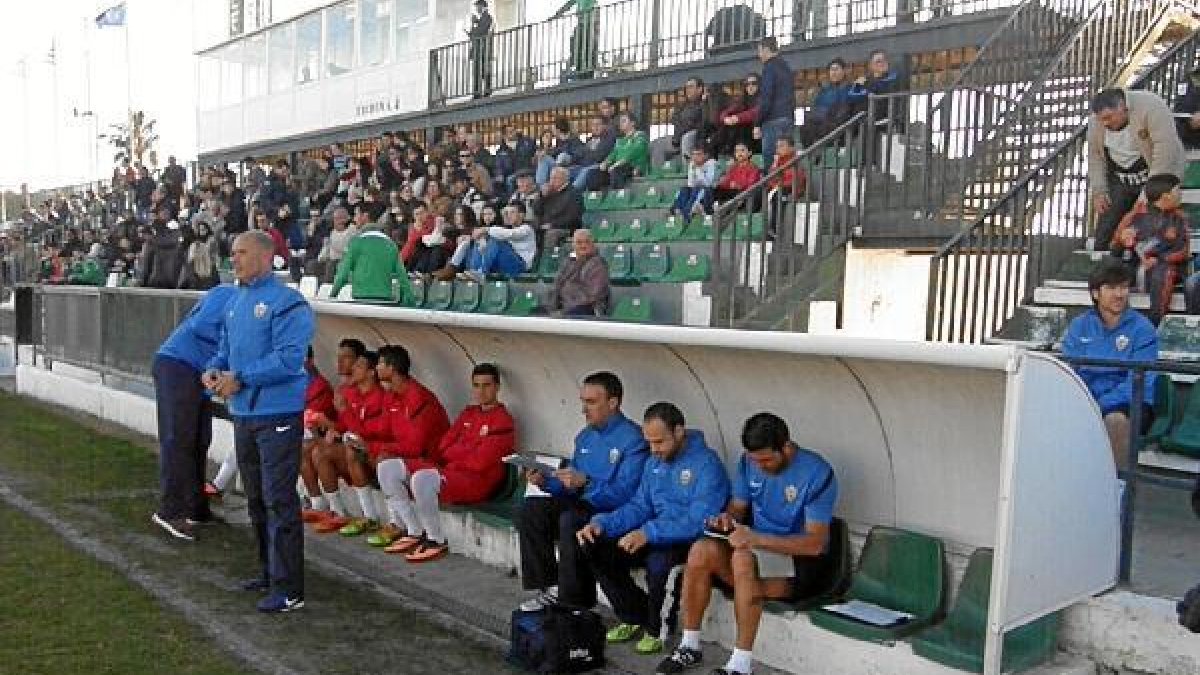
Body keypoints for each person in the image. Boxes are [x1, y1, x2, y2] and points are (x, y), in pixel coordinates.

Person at [657, 413, 838, 675]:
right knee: (701, 550)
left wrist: (756, 539)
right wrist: (726, 520)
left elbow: (815, 544)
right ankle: (689, 645)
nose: (760, 466)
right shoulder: (748, 462)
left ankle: (740, 665)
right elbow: (738, 509)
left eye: (766, 459)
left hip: (797, 561)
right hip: (755, 549)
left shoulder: (817, 473)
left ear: (785, 446)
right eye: (755, 460)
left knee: (743, 559)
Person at [203, 231, 316, 613]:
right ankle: (269, 572)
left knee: (279, 499)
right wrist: (214, 369)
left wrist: (242, 377)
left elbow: (288, 359)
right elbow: (225, 349)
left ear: (266, 256)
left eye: (241, 253)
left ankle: (290, 589)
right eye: (232, 252)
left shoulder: (288, 303)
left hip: (277, 413)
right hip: (245, 413)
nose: (233, 259)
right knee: (255, 498)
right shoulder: (236, 302)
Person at [575, 402, 729, 655]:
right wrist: (602, 523)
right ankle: (634, 616)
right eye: (649, 442)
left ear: (679, 432)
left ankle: (658, 630)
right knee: (593, 545)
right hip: (654, 532)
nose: (654, 449)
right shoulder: (653, 463)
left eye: (659, 442)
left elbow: (697, 521)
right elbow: (640, 505)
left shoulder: (707, 465)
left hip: (689, 542)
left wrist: (648, 533)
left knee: (659, 563)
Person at [515, 371, 649, 612]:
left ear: (613, 402)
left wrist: (586, 484)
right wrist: (546, 482)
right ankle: (549, 587)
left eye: (591, 402)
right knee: (532, 509)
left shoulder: (634, 440)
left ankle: (575, 602)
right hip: (582, 502)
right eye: (583, 402)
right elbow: (570, 483)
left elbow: (628, 494)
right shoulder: (584, 437)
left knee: (571, 520)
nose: (584, 409)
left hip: (611, 512)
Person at [376, 362, 515, 562]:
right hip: (452, 473)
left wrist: (457, 452)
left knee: (422, 479)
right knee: (387, 468)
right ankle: (414, 530)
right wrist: (465, 451)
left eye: (487, 385)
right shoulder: (469, 413)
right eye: (476, 385)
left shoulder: (503, 420)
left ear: (497, 387)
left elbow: (480, 463)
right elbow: (444, 445)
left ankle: (436, 539)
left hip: (477, 482)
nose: (481, 391)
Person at [150, 284, 239, 541]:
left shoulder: (234, 296)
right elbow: (202, 325)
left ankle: (196, 508)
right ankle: (170, 511)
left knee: (199, 440)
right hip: (179, 364)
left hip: (197, 370)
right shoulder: (228, 295)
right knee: (178, 439)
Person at [1061, 260, 1158, 468]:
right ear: (1096, 294)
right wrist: (1085, 402)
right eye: (1111, 287)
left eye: (1123, 287)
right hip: (1087, 400)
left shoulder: (1143, 329)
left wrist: (1098, 405)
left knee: (1115, 421)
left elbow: (1139, 383)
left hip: (1130, 403)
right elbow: (1069, 370)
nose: (1119, 294)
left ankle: (1118, 490)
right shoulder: (1080, 326)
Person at [365, 345, 451, 548]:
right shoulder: (392, 395)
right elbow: (381, 430)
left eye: (380, 363)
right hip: (413, 459)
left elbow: (416, 447)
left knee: (385, 463)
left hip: (431, 461)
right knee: (382, 463)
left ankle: (431, 536)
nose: (376, 368)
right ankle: (412, 530)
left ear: (392, 368)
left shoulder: (417, 397)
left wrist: (380, 449)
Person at [1087, 88, 1186, 251]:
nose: (1105, 123)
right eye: (1101, 119)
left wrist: (1149, 192)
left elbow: (1165, 151)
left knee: (1147, 229)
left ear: (1122, 106)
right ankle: (1104, 266)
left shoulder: (1151, 106)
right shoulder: (1095, 122)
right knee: (1106, 230)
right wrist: (1099, 190)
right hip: (1119, 177)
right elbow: (1094, 157)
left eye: (1108, 117)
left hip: (1154, 174)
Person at [1109, 174, 1192, 324]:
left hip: (1168, 267)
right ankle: (1117, 321)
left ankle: (1157, 321)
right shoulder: (1134, 216)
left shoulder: (1179, 218)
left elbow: (1183, 250)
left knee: (1163, 271)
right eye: (1177, 191)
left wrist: (1158, 259)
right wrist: (1123, 240)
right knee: (1115, 270)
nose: (1180, 194)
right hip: (1137, 265)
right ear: (1165, 196)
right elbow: (1114, 248)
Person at [330, 206, 412, 303]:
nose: (354, 219)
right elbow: (402, 277)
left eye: (356, 215)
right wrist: (411, 301)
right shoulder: (391, 245)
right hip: (384, 299)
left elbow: (342, 275)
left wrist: (332, 295)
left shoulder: (356, 243)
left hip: (361, 298)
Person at [438, 203, 537, 281]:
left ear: (522, 215)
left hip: (520, 266)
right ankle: (471, 271)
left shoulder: (527, 229)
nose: (509, 215)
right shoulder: (505, 229)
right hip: (503, 264)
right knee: (478, 241)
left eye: (512, 212)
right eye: (507, 213)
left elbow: (511, 234)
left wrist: (485, 230)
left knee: (495, 241)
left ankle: (480, 273)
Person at [755, 37, 796, 175]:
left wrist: (757, 123)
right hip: (788, 118)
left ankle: (772, 194)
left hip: (772, 120)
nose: (759, 55)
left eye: (760, 51)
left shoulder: (769, 68)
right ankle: (785, 191)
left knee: (771, 164)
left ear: (766, 50)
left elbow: (766, 98)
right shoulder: (787, 67)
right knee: (786, 161)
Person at [552, 228, 611, 317]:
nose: (583, 246)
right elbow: (557, 285)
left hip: (587, 308)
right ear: (573, 245)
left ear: (593, 244)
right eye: (579, 243)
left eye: (587, 242)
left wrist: (565, 309)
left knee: (573, 313)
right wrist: (553, 307)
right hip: (566, 306)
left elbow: (593, 295)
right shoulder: (568, 262)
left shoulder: (598, 264)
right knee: (538, 312)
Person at [799, 58, 854, 148]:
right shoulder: (823, 91)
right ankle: (811, 152)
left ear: (844, 71)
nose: (833, 72)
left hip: (839, 127)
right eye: (831, 70)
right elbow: (815, 109)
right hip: (821, 124)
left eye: (836, 69)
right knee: (806, 124)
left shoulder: (851, 89)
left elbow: (846, 112)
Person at [533, 166, 585, 250]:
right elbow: (536, 211)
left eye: (555, 178)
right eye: (551, 178)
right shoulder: (548, 192)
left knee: (551, 234)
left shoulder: (574, 193)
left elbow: (573, 217)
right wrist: (541, 196)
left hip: (566, 228)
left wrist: (552, 225)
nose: (551, 181)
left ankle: (548, 260)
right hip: (544, 226)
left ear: (564, 178)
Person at [601, 112, 650, 190]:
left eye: (624, 121)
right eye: (620, 122)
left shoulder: (640, 136)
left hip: (634, 167)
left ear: (633, 123)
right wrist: (605, 162)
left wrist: (620, 162)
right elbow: (613, 153)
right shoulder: (620, 140)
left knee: (617, 170)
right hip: (618, 167)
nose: (621, 123)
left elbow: (636, 151)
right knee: (597, 172)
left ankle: (617, 196)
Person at [715, 76, 761, 157]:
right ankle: (726, 153)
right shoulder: (743, 99)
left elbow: (755, 112)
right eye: (747, 84)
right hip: (745, 134)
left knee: (739, 126)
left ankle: (733, 153)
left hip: (759, 131)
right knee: (726, 127)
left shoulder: (764, 98)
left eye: (753, 84)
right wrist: (726, 119)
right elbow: (725, 113)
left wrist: (737, 118)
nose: (750, 86)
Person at [669, 146, 719, 222]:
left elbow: (708, 183)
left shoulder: (712, 164)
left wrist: (698, 169)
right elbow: (690, 184)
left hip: (709, 195)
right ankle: (677, 209)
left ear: (706, 155)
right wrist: (693, 170)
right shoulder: (692, 165)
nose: (695, 157)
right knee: (684, 189)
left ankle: (688, 211)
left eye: (698, 154)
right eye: (693, 154)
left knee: (700, 189)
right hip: (696, 192)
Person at [715, 142, 764, 208]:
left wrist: (737, 185)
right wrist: (723, 182)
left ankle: (728, 206)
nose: (739, 153)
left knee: (739, 193)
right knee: (717, 189)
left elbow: (751, 185)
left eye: (742, 150)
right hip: (733, 193)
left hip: (745, 195)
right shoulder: (733, 167)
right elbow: (725, 183)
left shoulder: (753, 168)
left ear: (749, 153)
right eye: (737, 151)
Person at [467, 0, 494, 98]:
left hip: (484, 50)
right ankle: (477, 93)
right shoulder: (480, 20)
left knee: (485, 71)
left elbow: (482, 31)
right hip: (478, 50)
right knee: (477, 72)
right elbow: (473, 35)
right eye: (476, 7)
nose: (477, 9)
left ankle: (486, 91)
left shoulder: (487, 17)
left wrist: (475, 24)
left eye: (478, 6)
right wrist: (473, 27)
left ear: (484, 7)